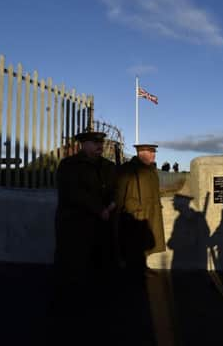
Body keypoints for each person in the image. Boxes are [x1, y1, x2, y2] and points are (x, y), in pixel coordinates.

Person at [52, 131, 117, 335]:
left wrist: (112, 205)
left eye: (101, 142)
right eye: (94, 142)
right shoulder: (69, 166)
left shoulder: (108, 166)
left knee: (98, 266)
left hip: (100, 227)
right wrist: (100, 209)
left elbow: (115, 189)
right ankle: (70, 312)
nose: (99, 146)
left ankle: (97, 310)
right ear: (83, 144)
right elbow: (75, 193)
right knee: (73, 267)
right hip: (75, 226)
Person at [115, 143, 166, 274]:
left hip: (150, 211)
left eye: (154, 152)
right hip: (135, 213)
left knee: (146, 243)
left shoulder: (151, 170)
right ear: (141, 153)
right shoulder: (128, 169)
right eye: (151, 152)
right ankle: (132, 272)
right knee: (133, 243)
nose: (154, 155)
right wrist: (123, 208)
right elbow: (120, 192)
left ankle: (142, 268)